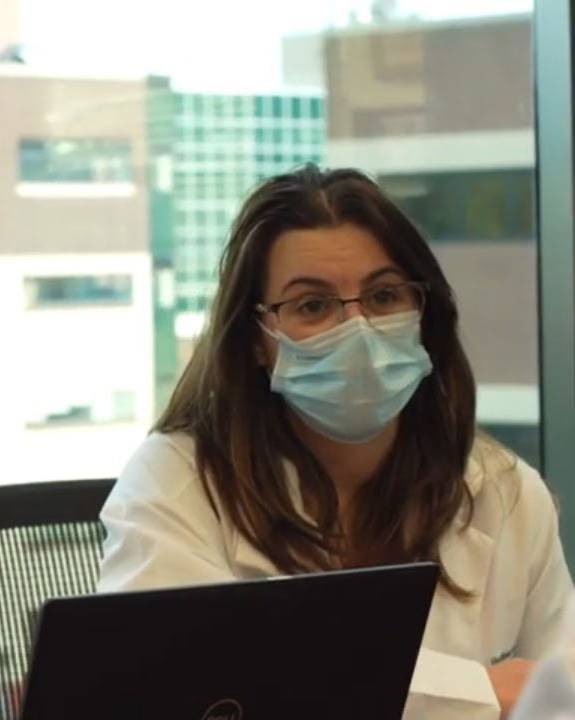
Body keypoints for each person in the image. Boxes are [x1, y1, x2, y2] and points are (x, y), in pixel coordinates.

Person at [98, 165, 573, 720]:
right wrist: (479, 693)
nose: (359, 329)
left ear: (424, 315)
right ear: (257, 340)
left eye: (384, 295)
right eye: (313, 306)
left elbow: (560, 691)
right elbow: (178, 684)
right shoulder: (175, 484)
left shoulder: (504, 490)